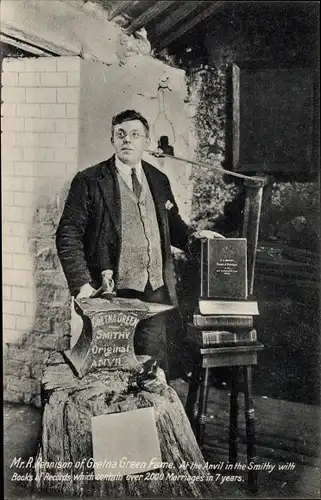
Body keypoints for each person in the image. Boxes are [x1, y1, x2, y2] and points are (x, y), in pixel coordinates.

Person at [56, 109, 223, 377]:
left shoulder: (158, 180)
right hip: (112, 296)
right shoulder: (89, 181)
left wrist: (194, 235)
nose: (127, 140)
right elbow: (68, 235)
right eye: (120, 134)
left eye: (135, 135)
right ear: (112, 139)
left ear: (145, 140)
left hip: (154, 292)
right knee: (111, 371)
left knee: (149, 369)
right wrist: (82, 286)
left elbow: (172, 226)